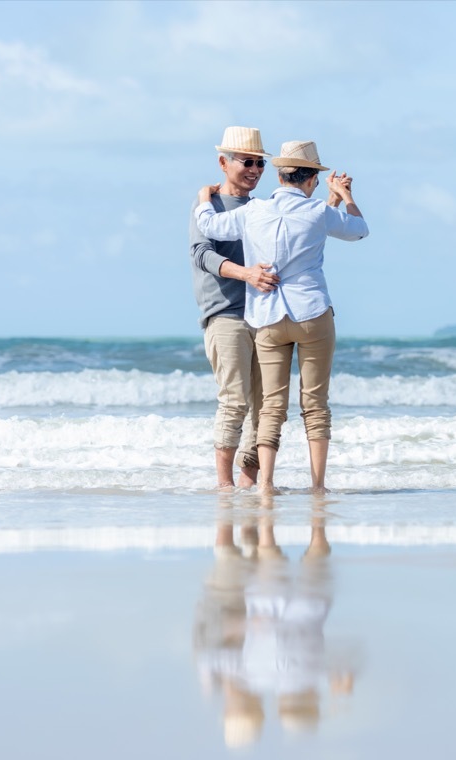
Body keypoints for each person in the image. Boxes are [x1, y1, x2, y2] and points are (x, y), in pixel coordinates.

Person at [195, 140, 368, 493]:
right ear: (311, 180)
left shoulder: (254, 210)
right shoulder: (319, 212)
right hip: (312, 313)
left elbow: (211, 227)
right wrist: (346, 197)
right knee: (315, 404)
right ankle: (318, 485)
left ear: (278, 174)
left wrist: (202, 200)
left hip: (267, 315)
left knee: (271, 406)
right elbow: (358, 229)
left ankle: (266, 484)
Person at [189, 126, 280, 489]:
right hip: (224, 312)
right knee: (235, 400)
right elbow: (202, 255)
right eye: (247, 162)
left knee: (267, 406)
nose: (255, 169)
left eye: (260, 163)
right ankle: (224, 486)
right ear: (223, 163)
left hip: (266, 313)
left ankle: (247, 481)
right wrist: (246, 275)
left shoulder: (265, 207)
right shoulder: (206, 207)